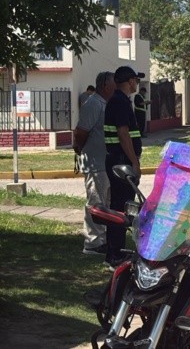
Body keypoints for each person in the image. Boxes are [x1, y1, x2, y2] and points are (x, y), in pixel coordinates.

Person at [104, 66, 145, 269]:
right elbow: (123, 134)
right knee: (120, 208)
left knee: (122, 206)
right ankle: (115, 254)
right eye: (136, 80)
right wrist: (134, 162)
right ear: (129, 81)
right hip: (121, 161)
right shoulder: (119, 101)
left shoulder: (121, 100)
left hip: (121, 159)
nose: (136, 84)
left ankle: (116, 251)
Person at [73, 72, 115, 255]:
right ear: (105, 85)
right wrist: (81, 149)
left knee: (105, 203)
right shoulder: (93, 103)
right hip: (95, 162)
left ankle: (102, 239)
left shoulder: (104, 104)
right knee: (96, 201)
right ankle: (92, 243)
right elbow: (80, 132)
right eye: (114, 84)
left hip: (105, 162)